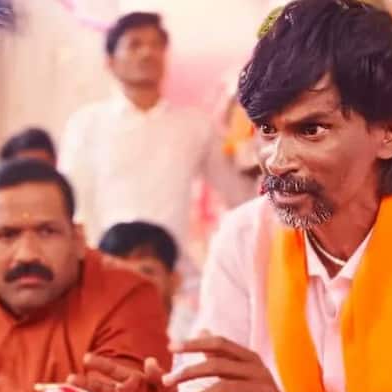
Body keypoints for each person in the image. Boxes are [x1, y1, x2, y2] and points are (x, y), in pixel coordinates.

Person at [66, 1, 392, 392]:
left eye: (311, 130)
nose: (277, 160)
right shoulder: (244, 239)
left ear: (389, 133)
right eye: (267, 130)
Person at [0, 159, 171, 392]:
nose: (27, 254)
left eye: (47, 232)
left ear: (78, 239)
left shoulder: (128, 296)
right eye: (7, 235)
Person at [58, 12, 256, 248]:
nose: (147, 52)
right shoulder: (86, 124)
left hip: (172, 265)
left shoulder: (194, 125)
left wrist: (258, 148)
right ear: (110, 61)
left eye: (156, 45)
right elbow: (71, 201)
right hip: (103, 260)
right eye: (135, 45)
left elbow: (240, 193)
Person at [98, 221, 196, 341]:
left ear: (174, 281)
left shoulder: (198, 337)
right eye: (118, 276)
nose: (130, 286)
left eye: (146, 272)